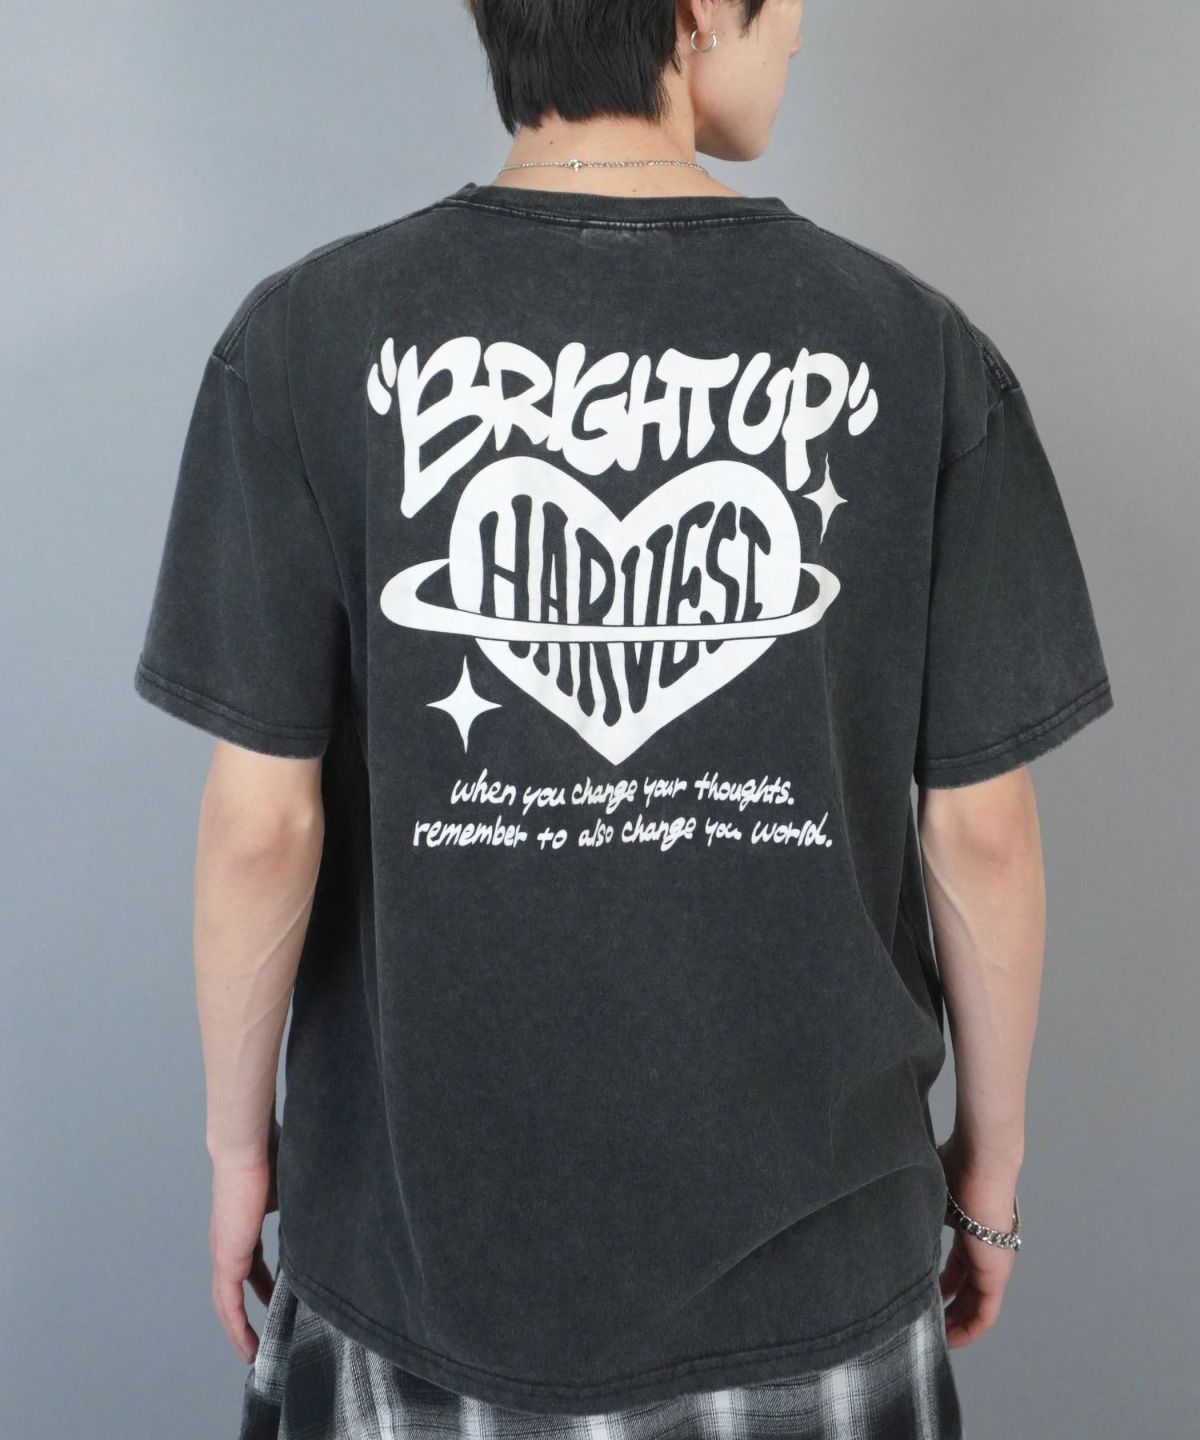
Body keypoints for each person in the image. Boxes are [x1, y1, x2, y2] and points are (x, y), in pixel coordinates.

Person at [132, 1, 1114, 1436]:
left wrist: (240, 1155)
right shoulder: (916, 350)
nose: (801, 35)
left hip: (413, 1267)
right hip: (816, 1267)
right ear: (703, 4)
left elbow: (259, 826)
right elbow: (982, 833)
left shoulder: (303, 339)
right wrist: (992, 1171)